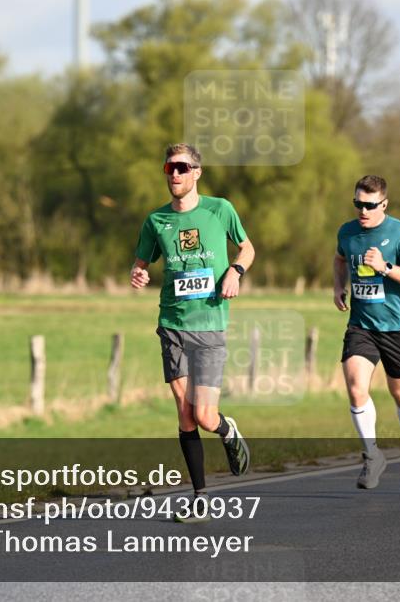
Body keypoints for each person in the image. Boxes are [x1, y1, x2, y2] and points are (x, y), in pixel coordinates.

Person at [130, 143, 255, 521]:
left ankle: (227, 430)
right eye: (170, 168)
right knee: (185, 416)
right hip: (172, 323)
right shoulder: (156, 221)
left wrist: (236, 271)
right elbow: (141, 261)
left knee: (204, 415)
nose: (175, 174)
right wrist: (138, 273)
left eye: (183, 168)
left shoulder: (221, 209)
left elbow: (247, 248)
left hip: (210, 324)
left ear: (197, 172)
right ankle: (200, 496)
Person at [333, 175, 400, 494]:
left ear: (384, 204)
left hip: (395, 328)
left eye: (370, 205)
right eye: (358, 203)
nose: (363, 210)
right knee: (356, 386)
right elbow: (339, 258)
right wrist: (338, 286)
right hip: (361, 326)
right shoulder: (347, 232)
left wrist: (386, 268)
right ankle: (372, 454)